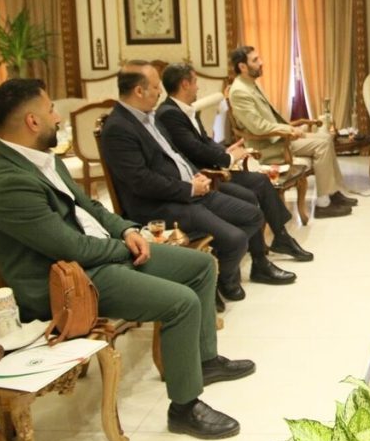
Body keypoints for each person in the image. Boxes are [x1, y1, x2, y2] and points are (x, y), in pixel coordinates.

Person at [0, 79, 252, 440]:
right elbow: (72, 249)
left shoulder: (43, 159)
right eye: (52, 109)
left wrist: (126, 230)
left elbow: (89, 206)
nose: (58, 117)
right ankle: (184, 407)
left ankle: (204, 361)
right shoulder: (8, 183)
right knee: (181, 302)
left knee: (199, 266)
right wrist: (125, 248)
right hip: (68, 282)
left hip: (97, 258)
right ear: (32, 121)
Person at [100, 60, 290, 305]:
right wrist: (189, 187)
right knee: (235, 239)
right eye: (156, 87)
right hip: (159, 205)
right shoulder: (119, 128)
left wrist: (195, 175)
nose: (160, 92)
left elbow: (175, 155)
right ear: (139, 91)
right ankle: (215, 280)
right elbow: (141, 181)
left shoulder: (149, 116)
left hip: (187, 191)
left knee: (253, 215)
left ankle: (219, 276)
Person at [157, 61, 313, 262]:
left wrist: (225, 150)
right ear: (185, 84)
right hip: (205, 175)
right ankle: (261, 257)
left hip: (213, 168)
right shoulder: (169, 113)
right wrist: (229, 158)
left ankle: (281, 237)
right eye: (195, 81)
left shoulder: (185, 109)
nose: (198, 87)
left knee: (261, 181)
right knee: (250, 194)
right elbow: (193, 149)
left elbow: (204, 141)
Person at [227, 45, 355, 219]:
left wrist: (291, 128)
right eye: (255, 60)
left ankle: (333, 193)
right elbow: (258, 127)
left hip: (278, 138)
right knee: (322, 145)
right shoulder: (239, 91)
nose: (261, 62)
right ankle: (323, 204)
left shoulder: (250, 84)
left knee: (326, 138)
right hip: (266, 146)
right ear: (242, 66)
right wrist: (288, 129)